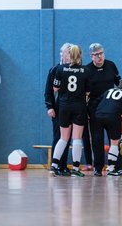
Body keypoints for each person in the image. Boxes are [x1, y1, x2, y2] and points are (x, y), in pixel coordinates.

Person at [49, 45, 90, 177]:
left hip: (64, 106)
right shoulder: (85, 70)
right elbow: (88, 91)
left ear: (69, 55)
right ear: (80, 55)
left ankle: (53, 166)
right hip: (79, 106)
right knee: (77, 138)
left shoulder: (60, 69)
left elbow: (54, 88)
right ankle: (76, 169)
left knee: (63, 138)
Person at [85, 43, 121, 176]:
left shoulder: (111, 65)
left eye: (101, 53)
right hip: (94, 108)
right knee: (97, 138)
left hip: (110, 107)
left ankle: (115, 166)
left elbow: (119, 84)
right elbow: (84, 93)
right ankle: (98, 167)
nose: (100, 57)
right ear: (91, 56)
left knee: (114, 138)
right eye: (96, 54)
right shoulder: (87, 69)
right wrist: (86, 110)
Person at [44, 43, 73, 176]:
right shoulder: (55, 69)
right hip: (58, 108)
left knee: (68, 138)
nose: (63, 56)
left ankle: (63, 165)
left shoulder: (75, 70)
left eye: (66, 53)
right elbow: (48, 91)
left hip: (71, 109)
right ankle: (55, 165)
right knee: (58, 137)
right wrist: (49, 107)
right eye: (62, 53)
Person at [95, 79, 122, 176]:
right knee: (114, 143)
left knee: (98, 142)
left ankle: (98, 168)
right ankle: (111, 169)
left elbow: (97, 101)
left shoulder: (108, 90)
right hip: (113, 116)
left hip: (98, 116)